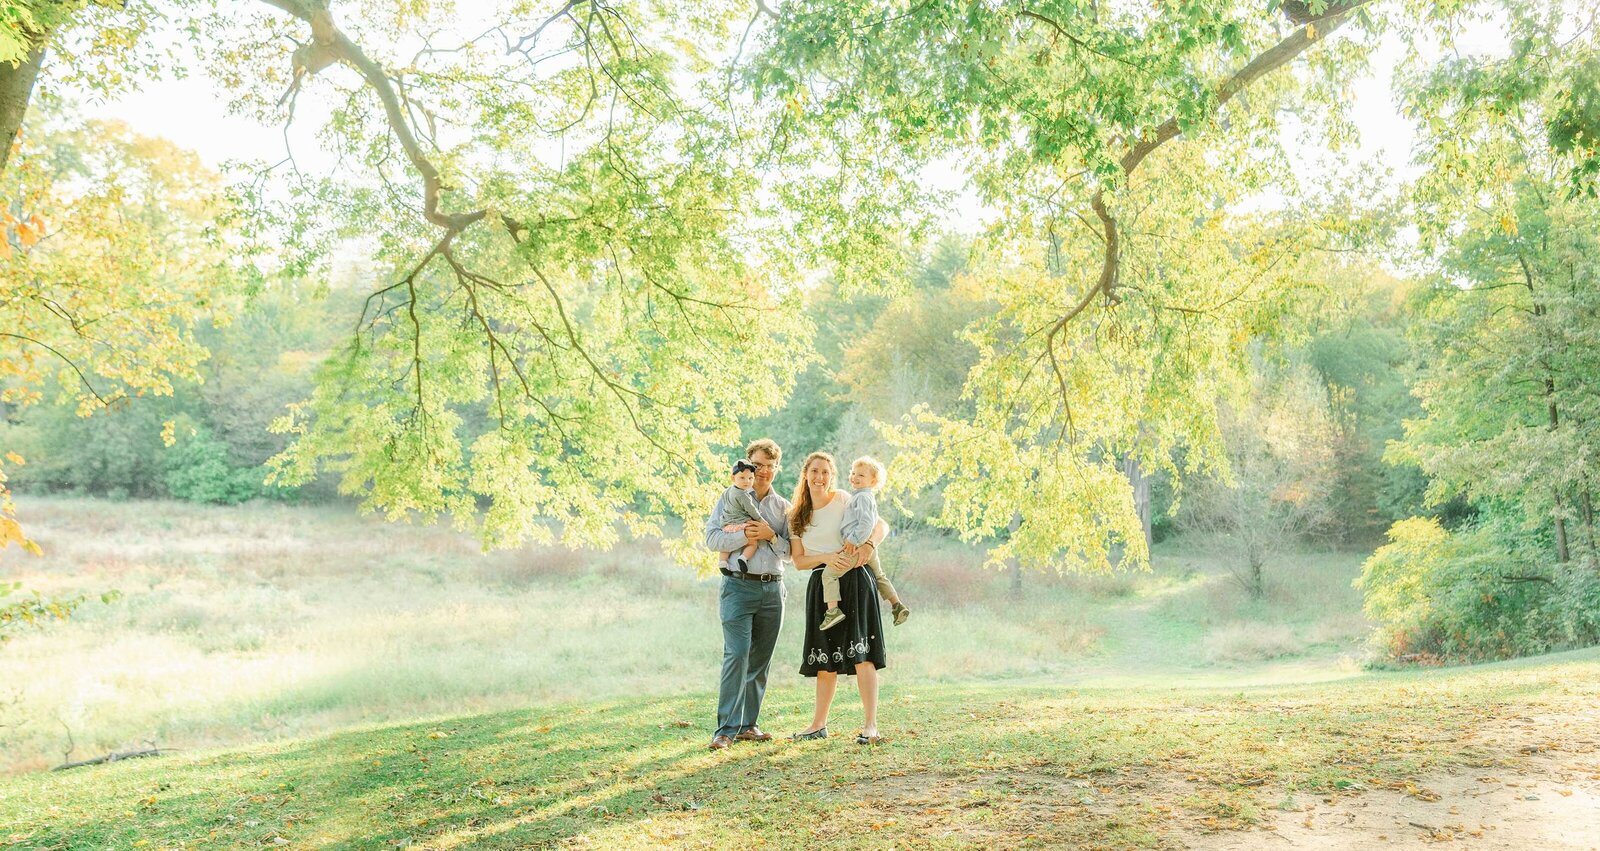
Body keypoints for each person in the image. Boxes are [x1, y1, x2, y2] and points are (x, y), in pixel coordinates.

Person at [788, 451, 891, 745]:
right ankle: (818, 724)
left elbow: (881, 525)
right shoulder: (796, 516)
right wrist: (828, 557)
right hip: (823, 583)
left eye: (826, 472)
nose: (820, 478)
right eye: (815, 471)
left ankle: (870, 725)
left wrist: (869, 545)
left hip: (855, 580)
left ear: (832, 476)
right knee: (824, 658)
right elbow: (799, 561)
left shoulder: (846, 499)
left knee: (863, 653)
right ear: (806, 474)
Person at [703, 438, 790, 751]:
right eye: (758, 465)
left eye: (769, 466)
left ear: (776, 469)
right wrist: (744, 534)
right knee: (737, 654)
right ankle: (725, 730)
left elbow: (792, 552)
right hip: (738, 587)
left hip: (773, 588)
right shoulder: (729, 499)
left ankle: (748, 725)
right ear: (747, 466)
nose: (763, 471)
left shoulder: (783, 508)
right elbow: (712, 539)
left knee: (760, 660)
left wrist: (771, 536)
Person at [819, 455, 911, 630]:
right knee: (879, 576)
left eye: (861, 475)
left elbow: (867, 523)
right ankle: (897, 605)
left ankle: (833, 611)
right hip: (868, 547)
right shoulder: (865, 497)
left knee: (829, 575)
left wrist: (853, 540)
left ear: (873, 481)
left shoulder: (861, 498)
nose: (854, 477)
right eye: (853, 473)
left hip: (856, 547)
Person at [714, 459, 765, 573]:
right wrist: (761, 520)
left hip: (727, 526)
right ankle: (743, 558)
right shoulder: (743, 494)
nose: (747, 481)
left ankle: (722, 563)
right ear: (733, 478)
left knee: (726, 547)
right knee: (753, 543)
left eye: (750, 478)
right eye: (742, 478)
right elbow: (752, 510)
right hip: (741, 525)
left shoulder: (727, 491)